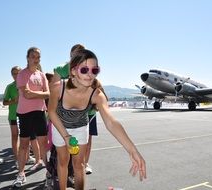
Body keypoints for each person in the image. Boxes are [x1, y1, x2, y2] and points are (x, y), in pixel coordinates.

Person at [48, 49, 146, 190]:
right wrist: (66, 136)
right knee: (63, 161)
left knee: (79, 164)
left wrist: (132, 150)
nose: (90, 75)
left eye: (94, 70)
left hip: (81, 127)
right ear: (73, 71)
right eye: (84, 70)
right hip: (59, 126)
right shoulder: (58, 88)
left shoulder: (96, 94)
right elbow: (51, 112)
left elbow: (111, 122)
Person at [52, 44, 96, 175]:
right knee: (64, 151)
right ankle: (63, 174)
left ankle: (84, 164)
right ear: (71, 56)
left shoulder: (88, 69)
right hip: (64, 116)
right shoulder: (60, 69)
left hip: (87, 113)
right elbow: (53, 90)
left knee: (87, 141)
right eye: (76, 54)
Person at [12, 47, 50, 187]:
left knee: (43, 144)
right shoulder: (22, 74)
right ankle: (21, 174)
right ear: (27, 57)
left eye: (38, 56)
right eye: (33, 56)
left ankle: (50, 171)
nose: (36, 58)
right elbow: (26, 95)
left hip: (39, 111)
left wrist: (35, 93)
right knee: (23, 145)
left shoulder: (41, 75)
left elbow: (48, 94)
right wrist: (41, 93)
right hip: (24, 113)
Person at [3, 66, 40, 169]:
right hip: (14, 115)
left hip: (26, 114)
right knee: (15, 136)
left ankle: (27, 157)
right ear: (12, 75)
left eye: (18, 73)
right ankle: (17, 158)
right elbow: (4, 102)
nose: (16, 75)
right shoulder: (10, 87)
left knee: (26, 137)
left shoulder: (27, 84)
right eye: (14, 73)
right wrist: (13, 101)